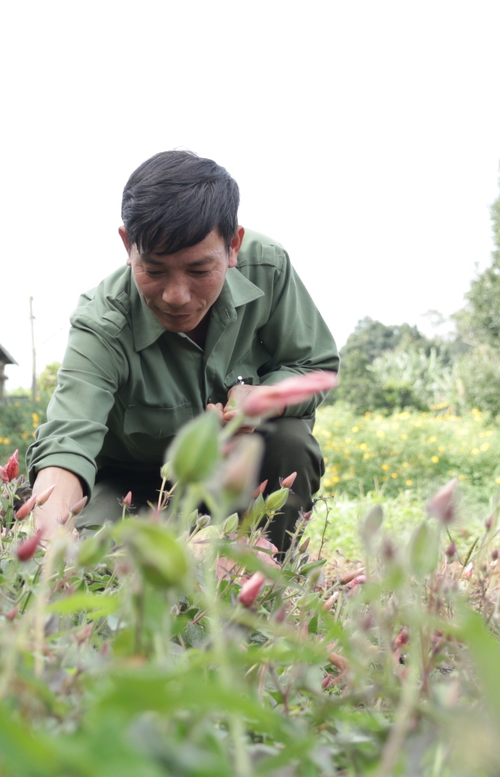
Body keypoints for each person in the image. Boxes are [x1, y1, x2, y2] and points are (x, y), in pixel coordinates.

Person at [24, 150, 339, 553]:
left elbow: (315, 364)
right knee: (102, 567)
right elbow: (67, 440)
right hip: (132, 483)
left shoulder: (269, 269)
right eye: (153, 271)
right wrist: (49, 546)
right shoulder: (102, 322)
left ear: (233, 246)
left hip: (237, 469)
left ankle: (262, 579)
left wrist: (263, 398)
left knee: (290, 440)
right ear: (127, 245)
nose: (176, 296)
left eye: (199, 271)